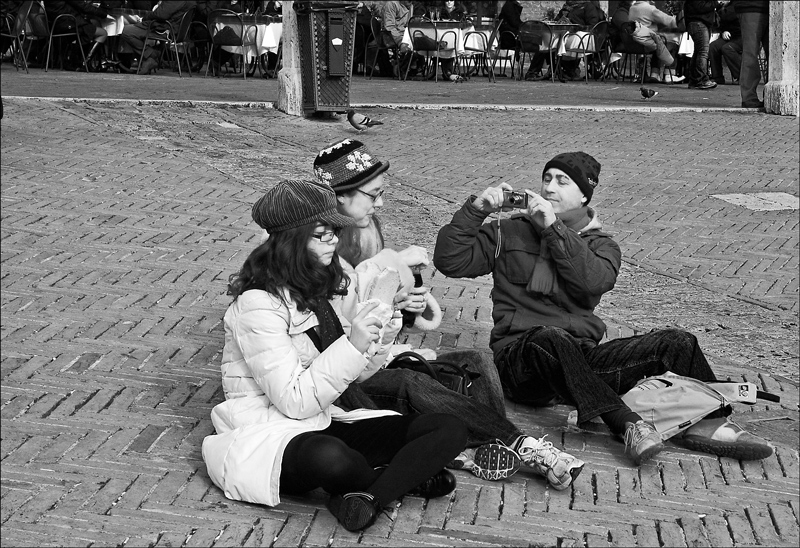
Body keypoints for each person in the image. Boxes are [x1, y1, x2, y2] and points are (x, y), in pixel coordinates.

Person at [433, 151, 774, 465]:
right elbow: (450, 260)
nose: (549, 187)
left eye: (562, 181)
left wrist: (552, 229)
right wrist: (476, 209)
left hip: (579, 362)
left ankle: (710, 421)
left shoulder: (602, 246)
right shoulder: (508, 231)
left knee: (677, 342)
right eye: (547, 178)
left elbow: (591, 282)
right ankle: (627, 424)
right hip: (520, 366)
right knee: (548, 337)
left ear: (584, 195)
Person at [304, 138, 587, 490]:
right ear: (339, 196)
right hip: (343, 375)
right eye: (373, 194)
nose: (380, 203)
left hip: (373, 353)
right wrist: (390, 280)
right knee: (410, 382)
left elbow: (370, 308)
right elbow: (336, 326)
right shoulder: (317, 247)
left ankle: (488, 445)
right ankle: (517, 444)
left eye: (381, 193)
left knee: (478, 361)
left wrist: (402, 307)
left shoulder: (365, 228)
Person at [202, 179, 467, 533]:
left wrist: (383, 327)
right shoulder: (257, 305)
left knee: (449, 427)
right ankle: (398, 480)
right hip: (273, 433)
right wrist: (352, 344)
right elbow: (294, 401)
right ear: (291, 241)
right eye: (321, 235)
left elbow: (358, 375)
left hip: (326, 419)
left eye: (334, 233)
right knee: (330, 457)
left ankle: (368, 498)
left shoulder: (316, 288)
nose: (333, 242)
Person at [524, 0, 602, 81]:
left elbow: (592, 25)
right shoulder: (567, 7)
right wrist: (559, 20)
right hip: (564, 33)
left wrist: (574, 24)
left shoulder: (587, 6)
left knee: (563, 41)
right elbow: (557, 20)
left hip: (582, 35)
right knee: (547, 38)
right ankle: (533, 71)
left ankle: (567, 70)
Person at [117, 0, 195, 75]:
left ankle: (152, 54)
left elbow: (161, 14)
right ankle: (147, 59)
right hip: (175, 31)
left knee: (126, 31)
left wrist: (144, 18)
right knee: (134, 29)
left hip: (164, 29)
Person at [627, 0, 685, 84]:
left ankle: (655, 74)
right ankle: (669, 75)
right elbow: (668, 20)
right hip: (647, 43)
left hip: (634, 43)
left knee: (658, 42)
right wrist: (681, 21)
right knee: (672, 44)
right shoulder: (649, 9)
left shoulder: (632, 8)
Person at [732, 0, 768, 108]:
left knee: (774, 57)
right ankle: (749, 97)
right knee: (750, 52)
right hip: (751, 6)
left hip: (768, 8)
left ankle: (766, 95)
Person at [684, 0, 720, 90]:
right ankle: (702, 80)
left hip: (700, 23)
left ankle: (694, 81)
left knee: (698, 51)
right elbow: (700, 7)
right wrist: (717, 3)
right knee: (703, 52)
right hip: (698, 22)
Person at [709, 0, 742, 85]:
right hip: (729, 36)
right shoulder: (722, 7)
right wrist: (723, 31)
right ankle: (717, 77)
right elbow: (721, 24)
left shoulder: (736, 5)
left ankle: (741, 76)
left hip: (741, 36)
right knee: (713, 46)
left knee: (727, 48)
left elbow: (731, 16)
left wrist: (721, 8)